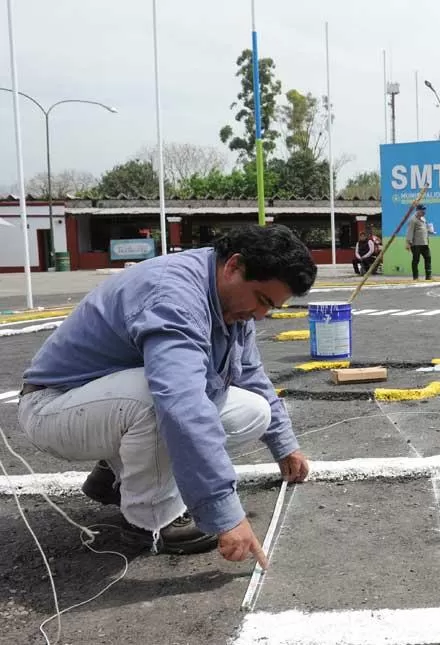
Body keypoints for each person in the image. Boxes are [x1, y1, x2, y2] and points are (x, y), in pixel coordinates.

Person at [16, 224, 317, 564]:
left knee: (253, 411)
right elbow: (181, 404)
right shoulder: (174, 296)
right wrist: (225, 514)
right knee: (158, 402)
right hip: (52, 406)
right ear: (234, 266)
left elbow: (249, 374)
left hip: (100, 406)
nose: (261, 315)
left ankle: (114, 477)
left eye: (271, 307)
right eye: (262, 300)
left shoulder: (228, 298)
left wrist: (284, 444)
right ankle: (152, 522)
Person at [405, 204, 432, 281]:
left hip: (425, 243)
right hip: (416, 244)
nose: (424, 212)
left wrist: (430, 231)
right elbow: (410, 232)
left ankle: (428, 276)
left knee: (428, 258)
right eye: (422, 210)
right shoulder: (413, 220)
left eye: (424, 210)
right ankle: (415, 277)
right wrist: (408, 243)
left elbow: (424, 230)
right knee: (416, 260)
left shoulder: (423, 219)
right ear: (418, 210)